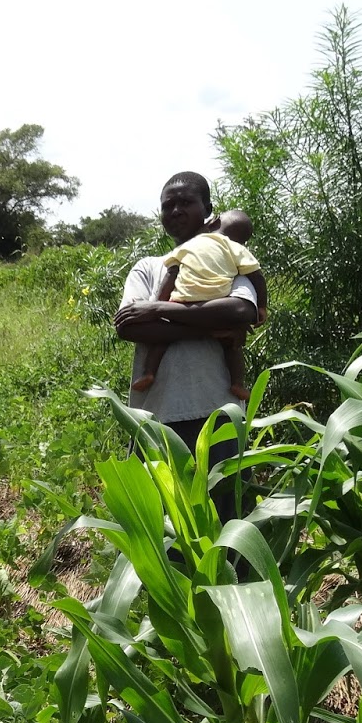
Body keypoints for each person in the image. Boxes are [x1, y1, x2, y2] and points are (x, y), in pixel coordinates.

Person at [114, 172, 259, 518]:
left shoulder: (228, 260)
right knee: (163, 533)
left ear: (209, 211)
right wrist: (212, 327)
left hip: (218, 417)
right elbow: (129, 326)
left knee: (230, 524)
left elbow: (242, 309)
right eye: (168, 205)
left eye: (186, 202)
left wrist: (161, 311)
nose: (176, 209)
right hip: (155, 418)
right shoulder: (148, 268)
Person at [133, 209, 264, 401]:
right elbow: (257, 276)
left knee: (162, 340)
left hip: (182, 302)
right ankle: (237, 383)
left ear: (213, 222)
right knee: (232, 346)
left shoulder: (192, 244)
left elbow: (172, 272)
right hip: (216, 305)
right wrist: (262, 306)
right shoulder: (237, 249)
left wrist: (159, 304)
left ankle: (149, 372)